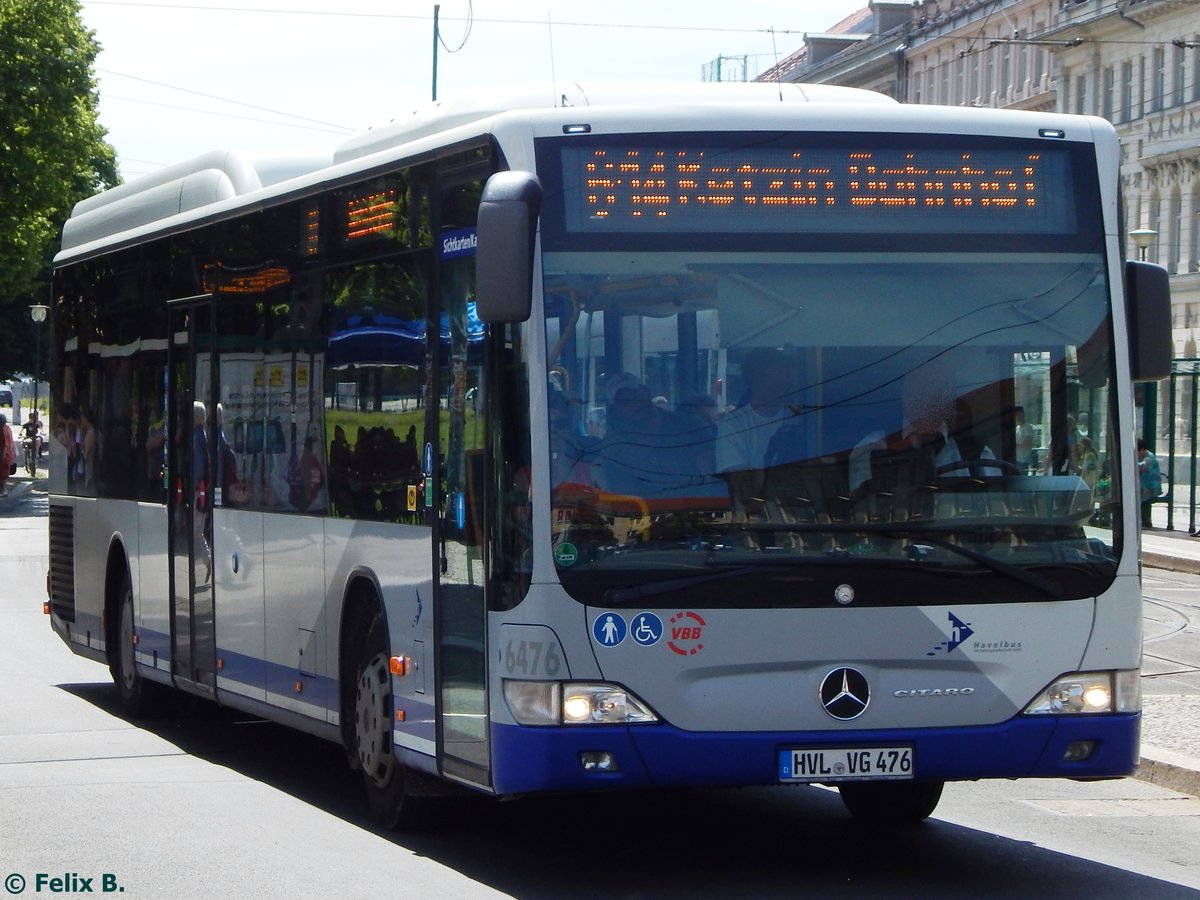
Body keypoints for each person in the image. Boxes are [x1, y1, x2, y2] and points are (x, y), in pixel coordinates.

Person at [716, 348, 795, 515]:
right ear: (754, 380)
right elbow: (742, 486)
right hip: (755, 524)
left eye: (783, 381)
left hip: (804, 516)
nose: (778, 387)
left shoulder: (799, 417)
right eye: (771, 380)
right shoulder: (734, 425)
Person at [1137, 438, 1162, 528]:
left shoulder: (1149, 457)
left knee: (1137, 495)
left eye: (1138, 452)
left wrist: (1130, 464)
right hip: (1144, 486)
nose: (1137, 455)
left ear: (1143, 449)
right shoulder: (1142, 457)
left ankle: (1145, 520)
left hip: (1151, 487)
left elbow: (1142, 467)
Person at [1013, 405, 1035, 473]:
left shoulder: (1028, 427)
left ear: (1023, 414)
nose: (1017, 417)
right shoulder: (1017, 429)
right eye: (1016, 415)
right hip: (1016, 460)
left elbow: (1029, 443)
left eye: (1019, 414)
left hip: (1024, 460)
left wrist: (1016, 445)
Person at [0, 414, 14, 496]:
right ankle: (3, 490)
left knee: (3, 474)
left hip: (4, 454)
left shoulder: (2, 430)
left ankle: (4, 490)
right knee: (3, 474)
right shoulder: (7, 428)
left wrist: (2, 456)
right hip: (8, 453)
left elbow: (4, 444)